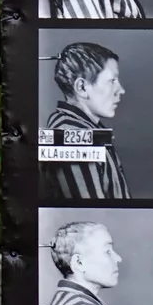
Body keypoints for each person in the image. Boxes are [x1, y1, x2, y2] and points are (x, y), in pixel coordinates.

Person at [41, 41, 131, 200]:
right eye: (112, 81)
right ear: (82, 87)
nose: (121, 90)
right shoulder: (75, 136)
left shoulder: (81, 129)